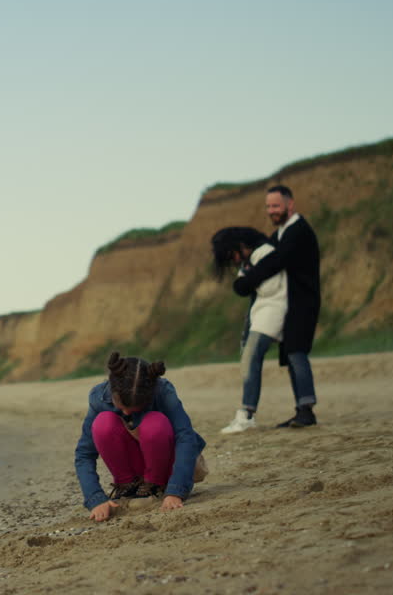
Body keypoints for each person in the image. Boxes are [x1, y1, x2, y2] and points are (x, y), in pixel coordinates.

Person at [74, 352, 206, 520]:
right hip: (132, 469)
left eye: (135, 408)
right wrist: (95, 498)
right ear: (112, 390)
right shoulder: (99, 397)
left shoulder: (163, 391)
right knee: (103, 423)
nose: (127, 412)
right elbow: (84, 454)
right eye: (121, 406)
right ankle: (127, 488)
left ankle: (155, 487)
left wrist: (176, 491)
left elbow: (186, 438)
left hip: (164, 467)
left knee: (155, 423)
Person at [232, 185, 321, 428]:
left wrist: (245, 282)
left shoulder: (298, 231)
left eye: (276, 206)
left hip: (303, 302)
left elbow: (275, 261)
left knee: (296, 352)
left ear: (290, 205)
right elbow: (264, 254)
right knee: (291, 353)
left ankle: (306, 409)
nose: (272, 211)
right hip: (290, 303)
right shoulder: (282, 233)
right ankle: (303, 410)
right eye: (269, 206)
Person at [210, 226, 288, 433]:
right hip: (262, 313)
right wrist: (251, 278)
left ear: (240, 245)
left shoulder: (264, 253)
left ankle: (246, 414)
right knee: (250, 359)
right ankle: (247, 414)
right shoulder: (250, 260)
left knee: (251, 358)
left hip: (273, 309)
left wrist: (251, 279)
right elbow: (240, 286)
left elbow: (267, 287)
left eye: (232, 254)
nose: (233, 260)